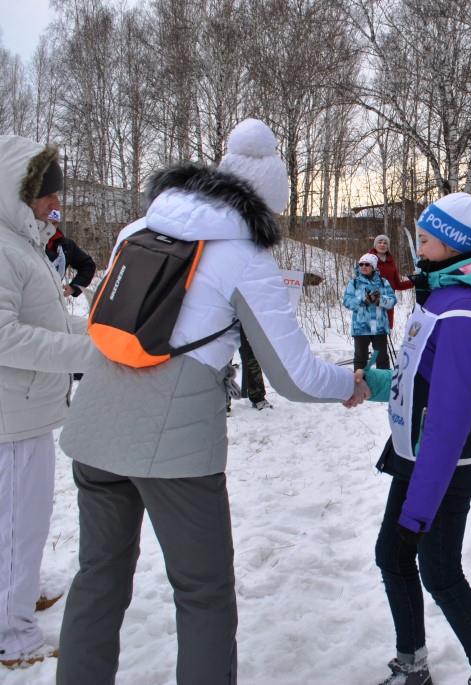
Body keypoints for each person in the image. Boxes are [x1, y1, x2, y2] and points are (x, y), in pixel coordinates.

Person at [55, 119, 368, 685]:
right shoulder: (244, 256)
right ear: (264, 203)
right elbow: (293, 375)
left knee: (98, 577)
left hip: (96, 421)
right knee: (203, 593)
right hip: (176, 448)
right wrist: (351, 385)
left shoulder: (136, 229)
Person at [357, 192, 471, 685]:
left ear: (454, 245)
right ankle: (412, 664)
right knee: (393, 556)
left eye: (425, 239)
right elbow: (418, 377)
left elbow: (449, 418)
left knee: (441, 573)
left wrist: (417, 512)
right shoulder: (443, 296)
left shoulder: (464, 311)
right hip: (418, 457)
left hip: (445, 465)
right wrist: (369, 384)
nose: (417, 248)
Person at [0, 136, 99, 669]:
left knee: (22, 519)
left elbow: (47, 321)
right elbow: (4, 337)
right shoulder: (3, 249)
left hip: (25, 408)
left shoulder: (21, 244)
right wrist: (87, 351)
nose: (55, 204)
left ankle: (19, 591)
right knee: (18, 524)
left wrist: (100, 335)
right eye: (47, 194)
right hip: (11, 417)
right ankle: (11, 635)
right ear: (18, 192)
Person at [344, 252, 397, 371]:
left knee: (382, 359)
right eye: (361, 264)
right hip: (361, 327)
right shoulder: (354, 283)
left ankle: (383, 381)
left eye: (367, 264)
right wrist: (364, 300)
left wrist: (380, 300)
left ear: (373, 267)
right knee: (360, 359)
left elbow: (392, 300)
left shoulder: (383, 282)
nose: (363, 266)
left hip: (380, 327)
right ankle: (360, 381)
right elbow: (347, 301)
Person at [43, 209, 96, 298]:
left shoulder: (66, 245)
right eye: (47, 223)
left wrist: (74, 287)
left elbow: (88, 265)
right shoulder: (29, 242)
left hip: (53, 299)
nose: (50, 227)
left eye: (54, 223)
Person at [372, 234, 414, 329]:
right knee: (371, 331)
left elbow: (397, 285)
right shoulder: (367, 261)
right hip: (373, 304)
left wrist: (413, 281)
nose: (382, 245)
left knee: (384, 333)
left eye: (385, 243)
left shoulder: (391, 262)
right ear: (375, 245)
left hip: (388, 303)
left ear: (388, 246)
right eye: (380, 242)